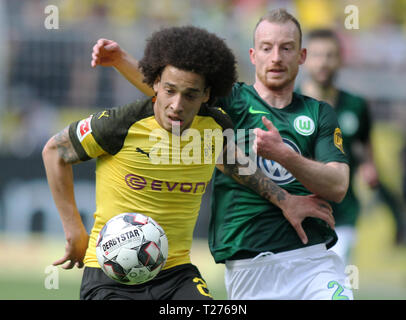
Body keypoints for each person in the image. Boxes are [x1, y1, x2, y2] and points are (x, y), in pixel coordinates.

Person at [43, 25, 334, 300]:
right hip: (110, 273)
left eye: (191, 94)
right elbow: (55, 152)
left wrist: (285, 200)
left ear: (207, 95)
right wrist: (75, 232)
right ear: (154, 83)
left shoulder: (214, 127)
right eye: (169, 90)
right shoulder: (122, 124)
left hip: (175, 275)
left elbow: (233, 163)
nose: (177, 105)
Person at [299, 28, 406, 262]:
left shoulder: (355, 105)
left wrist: (370, 167)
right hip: (296, 215)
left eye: (330, 55)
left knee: (330, 284)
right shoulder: (289, 104)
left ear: (340, 59)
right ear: (304, 58)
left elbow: (367, 151)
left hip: (342, 215)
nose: (324, 63)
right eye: (317, 55)